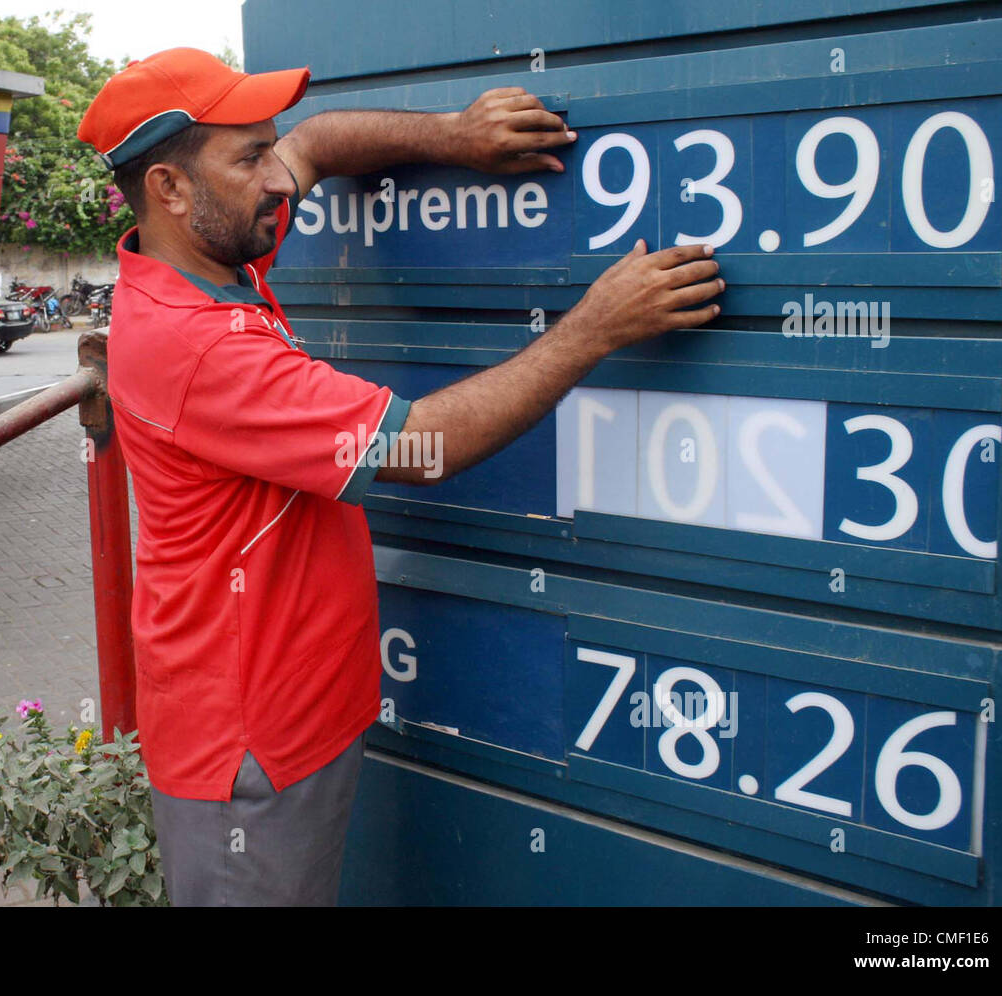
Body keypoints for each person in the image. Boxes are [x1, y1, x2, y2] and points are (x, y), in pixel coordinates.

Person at [77, 48, 722, 906]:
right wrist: (591, 330)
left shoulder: (213, 260)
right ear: (169, 190)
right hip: (249, 756)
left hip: (290, 720)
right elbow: (418, 449)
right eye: (247, 157)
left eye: (266, 149)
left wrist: (456, 138)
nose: (278, 177)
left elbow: (318, 143)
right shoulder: (197, 346)